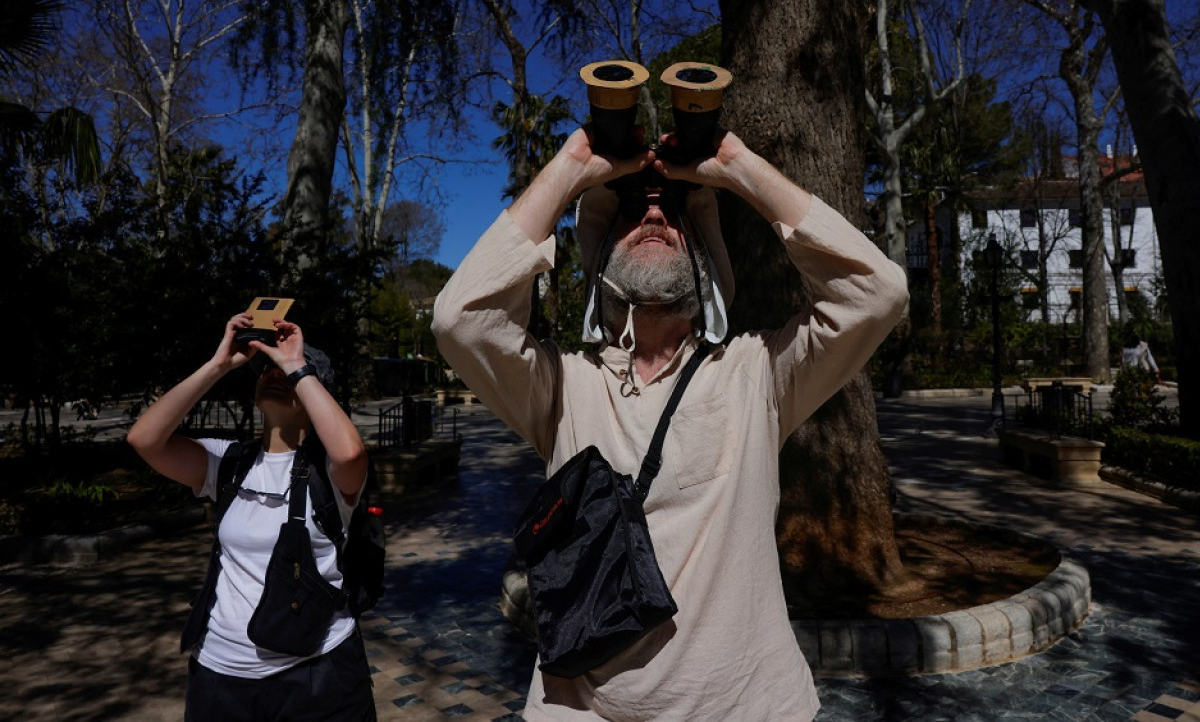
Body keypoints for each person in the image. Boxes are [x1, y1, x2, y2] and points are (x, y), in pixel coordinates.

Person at [432, 126, 908, 720]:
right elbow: (459, 320)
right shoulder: (559, 384)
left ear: (705, 258)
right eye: (630, 210)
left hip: (751, 709)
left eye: (674, 212)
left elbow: (878, 293)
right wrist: (575, 164)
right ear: (601, 259)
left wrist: (736, 165)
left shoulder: (757, 372)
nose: (653, 215)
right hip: (580, 708)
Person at [127, 313, 375, 722]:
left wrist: (296, 366)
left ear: (315, 389)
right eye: (266, 370)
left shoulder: (328, 471)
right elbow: (145, 440)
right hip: (221, 677)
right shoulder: (228, 461)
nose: (273, 375)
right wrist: (218, 365)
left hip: (318, 672)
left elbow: (351, 454)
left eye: (286, 372)